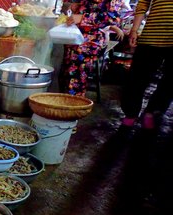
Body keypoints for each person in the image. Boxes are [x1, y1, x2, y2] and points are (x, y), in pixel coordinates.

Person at [120, 0, 173, 129]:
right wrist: (134, 29)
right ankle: (131, 113)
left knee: (170, 81)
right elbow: (143, 3)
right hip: (151, 35)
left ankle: (152, 111)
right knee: (137, 77)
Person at [61, 0, 125, 96]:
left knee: (77, 69)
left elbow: (113, 19)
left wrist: (83, 18)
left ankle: (74, 101)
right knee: (66, 69)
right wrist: (77, 5)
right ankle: (62, 99)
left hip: (92, 40)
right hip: (75, 34)